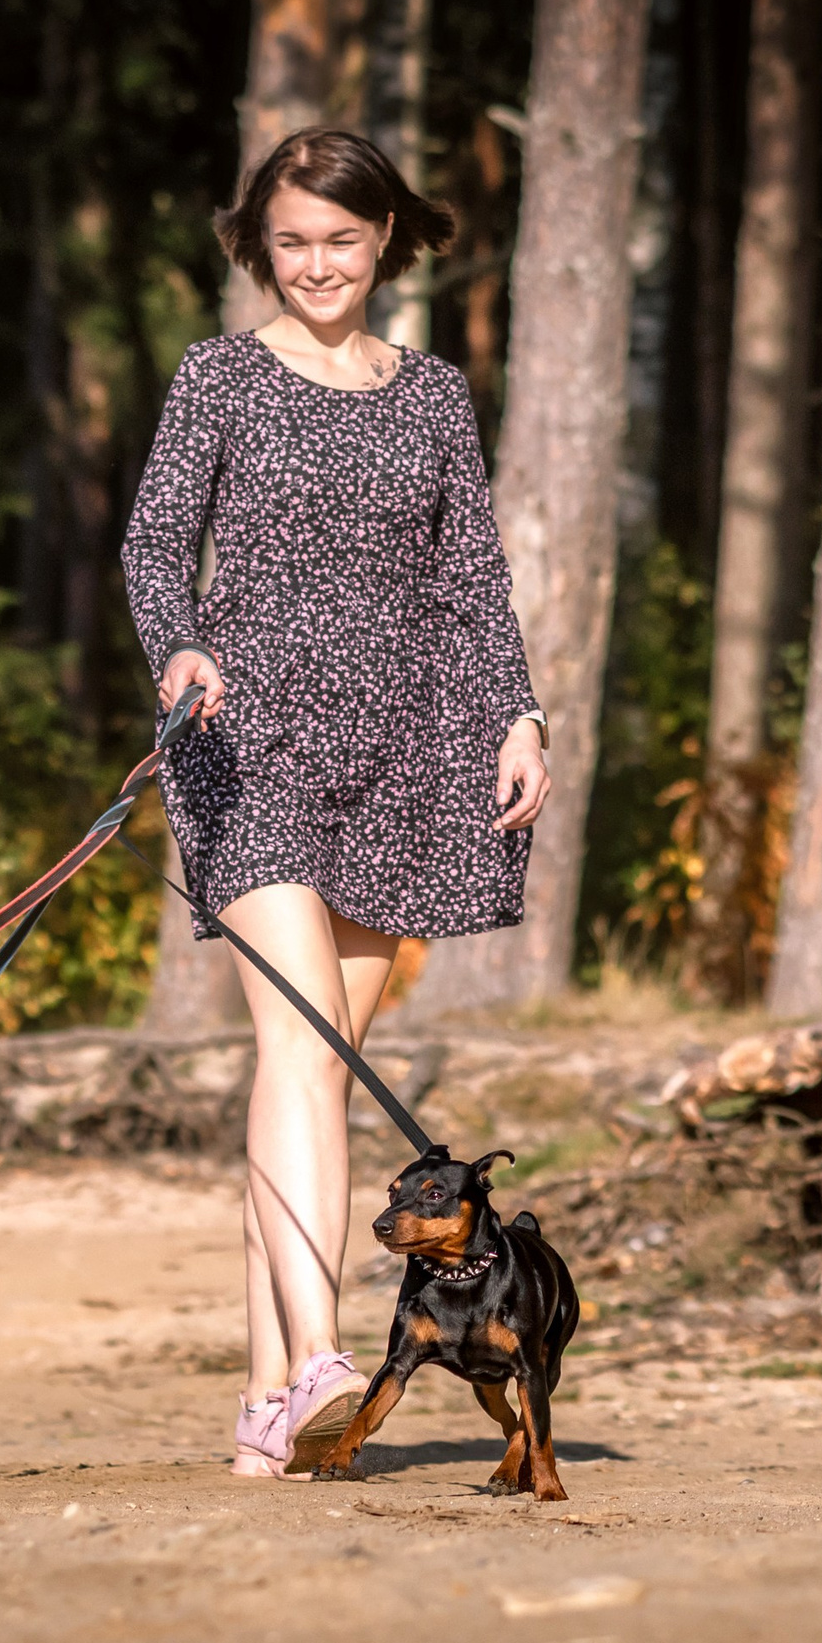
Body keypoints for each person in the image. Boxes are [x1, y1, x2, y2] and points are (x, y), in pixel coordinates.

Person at [121, 127, 551, 1478]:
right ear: (262, 243)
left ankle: (265, 1403)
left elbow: (472, 577)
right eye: (293, 240)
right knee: (301, 1053)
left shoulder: (430, 394)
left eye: (342, 240)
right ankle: (318, 1360)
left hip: (406, 749)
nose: (317, 263)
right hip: (244, 741)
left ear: (386, 244)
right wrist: (177, 642)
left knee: (310, 1080)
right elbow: (150, 539)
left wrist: (521, 711)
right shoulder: (220, 376)